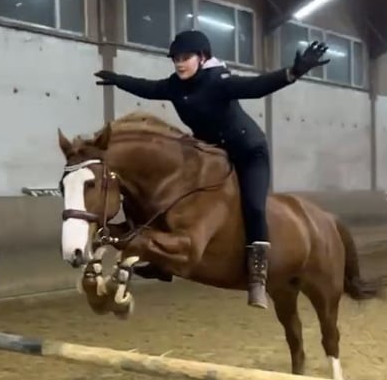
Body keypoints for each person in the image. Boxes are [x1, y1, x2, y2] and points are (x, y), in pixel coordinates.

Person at [93, 29, 329, 310]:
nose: (180, 63)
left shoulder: (219, 81)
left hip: (248, 152)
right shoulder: (174, 85)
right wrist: (117, 80)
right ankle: (162, 263)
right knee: (172, 197)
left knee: (254, 206)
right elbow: (147, 87)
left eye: (186, 58)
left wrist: (293, 72)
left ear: (203, 58)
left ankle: (257, 277)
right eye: (176, 59)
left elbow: (256, 87)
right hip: (211, 154)